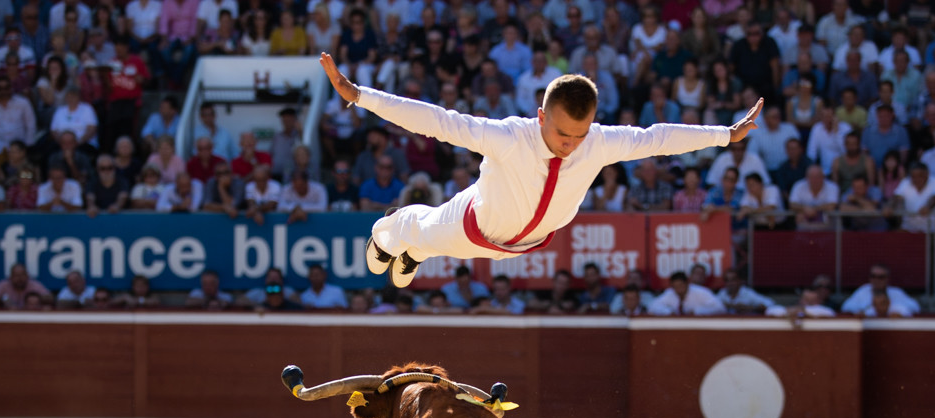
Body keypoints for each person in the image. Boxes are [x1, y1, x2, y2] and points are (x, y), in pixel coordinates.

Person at [321, 50, 763, 289]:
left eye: (580, 134)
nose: (571, 146)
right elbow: (438, 121)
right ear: (540, 116)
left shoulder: (599, 140)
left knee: (425, 248)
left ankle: (414, 251)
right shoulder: (510, 136)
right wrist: (361, 96)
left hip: (525, 244)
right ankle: (387, 232)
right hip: (473, 225)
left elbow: (657, 138)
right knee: (422, 231)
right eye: (562, 135)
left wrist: (724, 134)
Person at [840, 264, 920, 316]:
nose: (876, 280)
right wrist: (858, 312)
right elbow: (846, 307)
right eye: (873, 276)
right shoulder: (863, 291)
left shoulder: (896, 293)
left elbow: (915, 307)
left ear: (887, 279)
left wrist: (900, 313)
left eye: (881, 277)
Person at [647, 270, 725, 316]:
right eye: (675, 287)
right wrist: (668, 312)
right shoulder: (670, 293)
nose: (679, 289)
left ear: (687, 283)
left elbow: (720, 308)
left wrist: (697, 311)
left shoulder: (701, 292)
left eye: (681, 286)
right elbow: (652, 307)